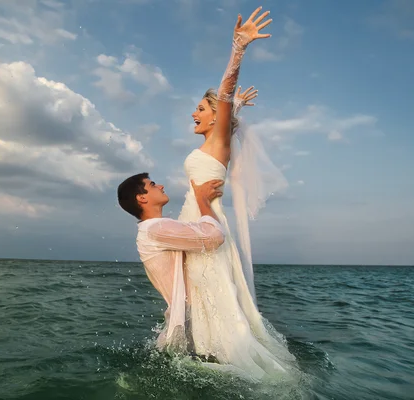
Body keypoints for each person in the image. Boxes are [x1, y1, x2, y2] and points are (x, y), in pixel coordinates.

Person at [177, 4, 296, 380]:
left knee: (216, 295)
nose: (193, 115)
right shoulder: (217, 141)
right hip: (194, 222)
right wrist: (237, 107)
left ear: (216, 116)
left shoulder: (217, 145)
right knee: (202, 295)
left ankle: (224, 359)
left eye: (199, 109)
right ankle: (205, 351)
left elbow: (225, 90)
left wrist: (238, 47)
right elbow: (227, 107)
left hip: (206, 224)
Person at [117, 173, 227, 353]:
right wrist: (203, 201)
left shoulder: (153, 229)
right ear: (142, 197)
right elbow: (215, 237)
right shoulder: (154, 229)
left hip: (185, 317)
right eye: (152, 184)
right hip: (187, 318)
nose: (160, 186)